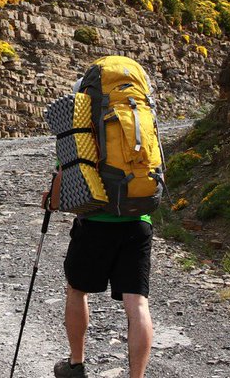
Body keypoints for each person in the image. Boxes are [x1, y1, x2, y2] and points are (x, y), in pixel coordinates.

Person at [43, 85, 155, 378]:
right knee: (137, 303)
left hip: (95, 223)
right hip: (138, 221)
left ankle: (76, 365)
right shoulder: (136, 121)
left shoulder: (81, 131)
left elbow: (61, 182)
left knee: (77, 290)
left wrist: (50, 200)